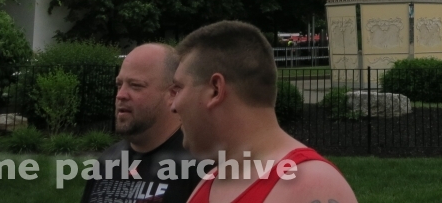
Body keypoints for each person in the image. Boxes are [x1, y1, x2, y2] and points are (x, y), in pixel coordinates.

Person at [170, 21, 357, 203]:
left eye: (178, 89)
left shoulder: (312, 183)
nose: (173, 105)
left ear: (215, 90)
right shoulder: (211, 180)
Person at [80, 43, 200, 203]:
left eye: (136, 86)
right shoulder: (108, 161)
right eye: (119, 85)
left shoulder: (200, 167)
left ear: (173, 94)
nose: (120, 95)